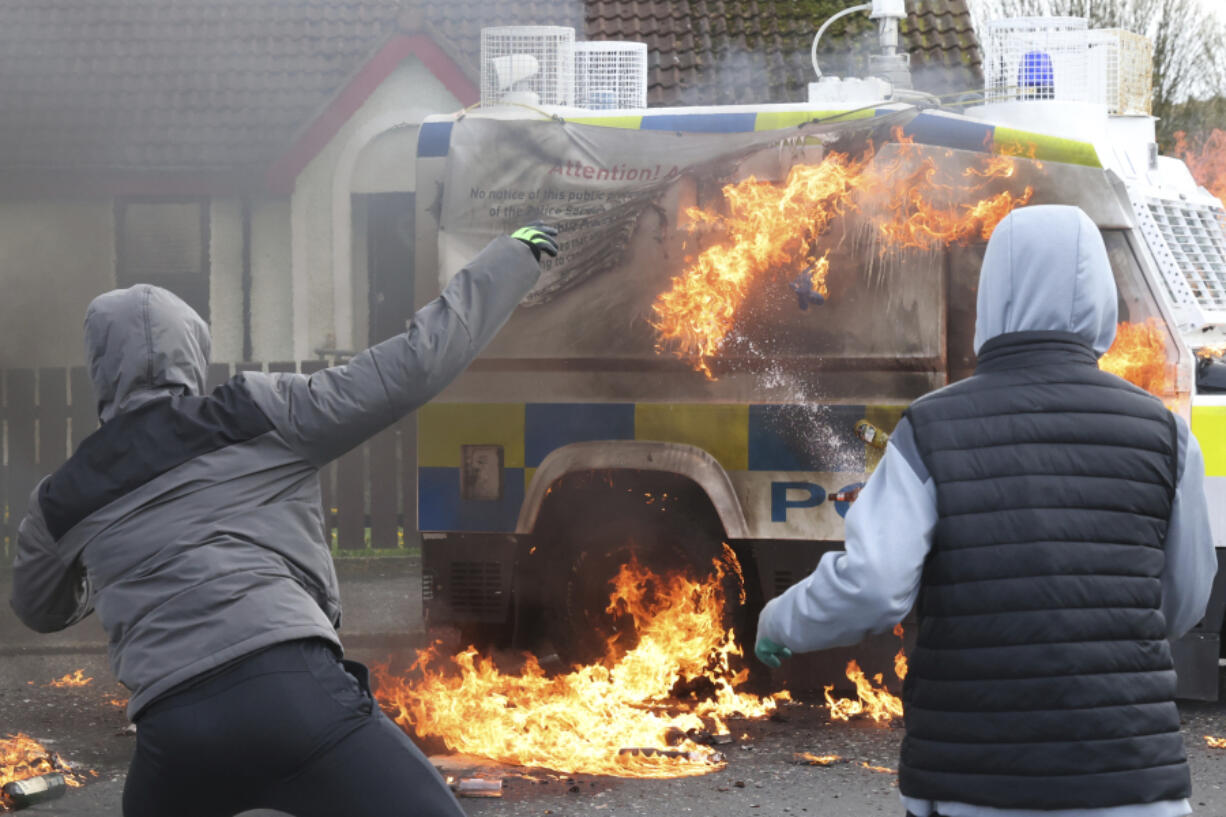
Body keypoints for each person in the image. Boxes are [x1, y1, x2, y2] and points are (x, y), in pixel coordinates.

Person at [9, 224, 559, 817]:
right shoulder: (257, 412)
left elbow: (40, 608)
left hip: (172, 736)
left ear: (98, 365)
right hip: (293, 695)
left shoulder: (61, 498)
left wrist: (103, 570)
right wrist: (510, 259)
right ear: (192, 350)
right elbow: (412, 365)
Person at [755, 205, 1217, 817]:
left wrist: (780, 621)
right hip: (1130, 780)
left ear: (993, 293)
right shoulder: (1167, 435)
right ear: (1103, 298)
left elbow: (874, 588)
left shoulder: (931, 426)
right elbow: (1183, 601)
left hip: (973, 777)